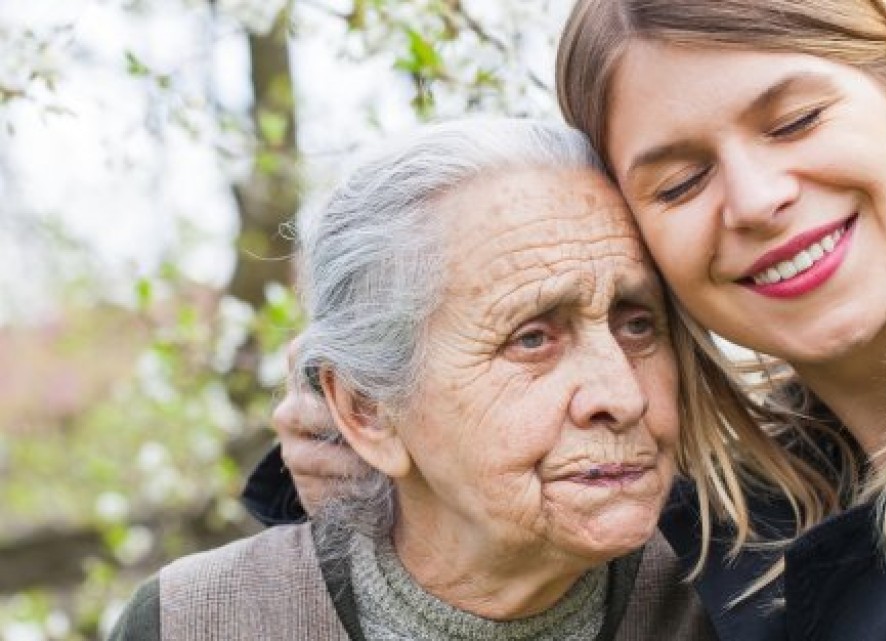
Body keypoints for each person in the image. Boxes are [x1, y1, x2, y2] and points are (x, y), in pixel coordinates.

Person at [256, 1, 886, 639]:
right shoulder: (733, 487)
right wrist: (362, 408)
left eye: (793, 120)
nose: (752, 198)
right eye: (679, 177)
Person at [110, 117, 718, 641]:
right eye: (531, 338)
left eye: (637, 325)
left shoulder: (739, 592)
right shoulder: (194, 621)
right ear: (367, 409)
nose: (622, 395)